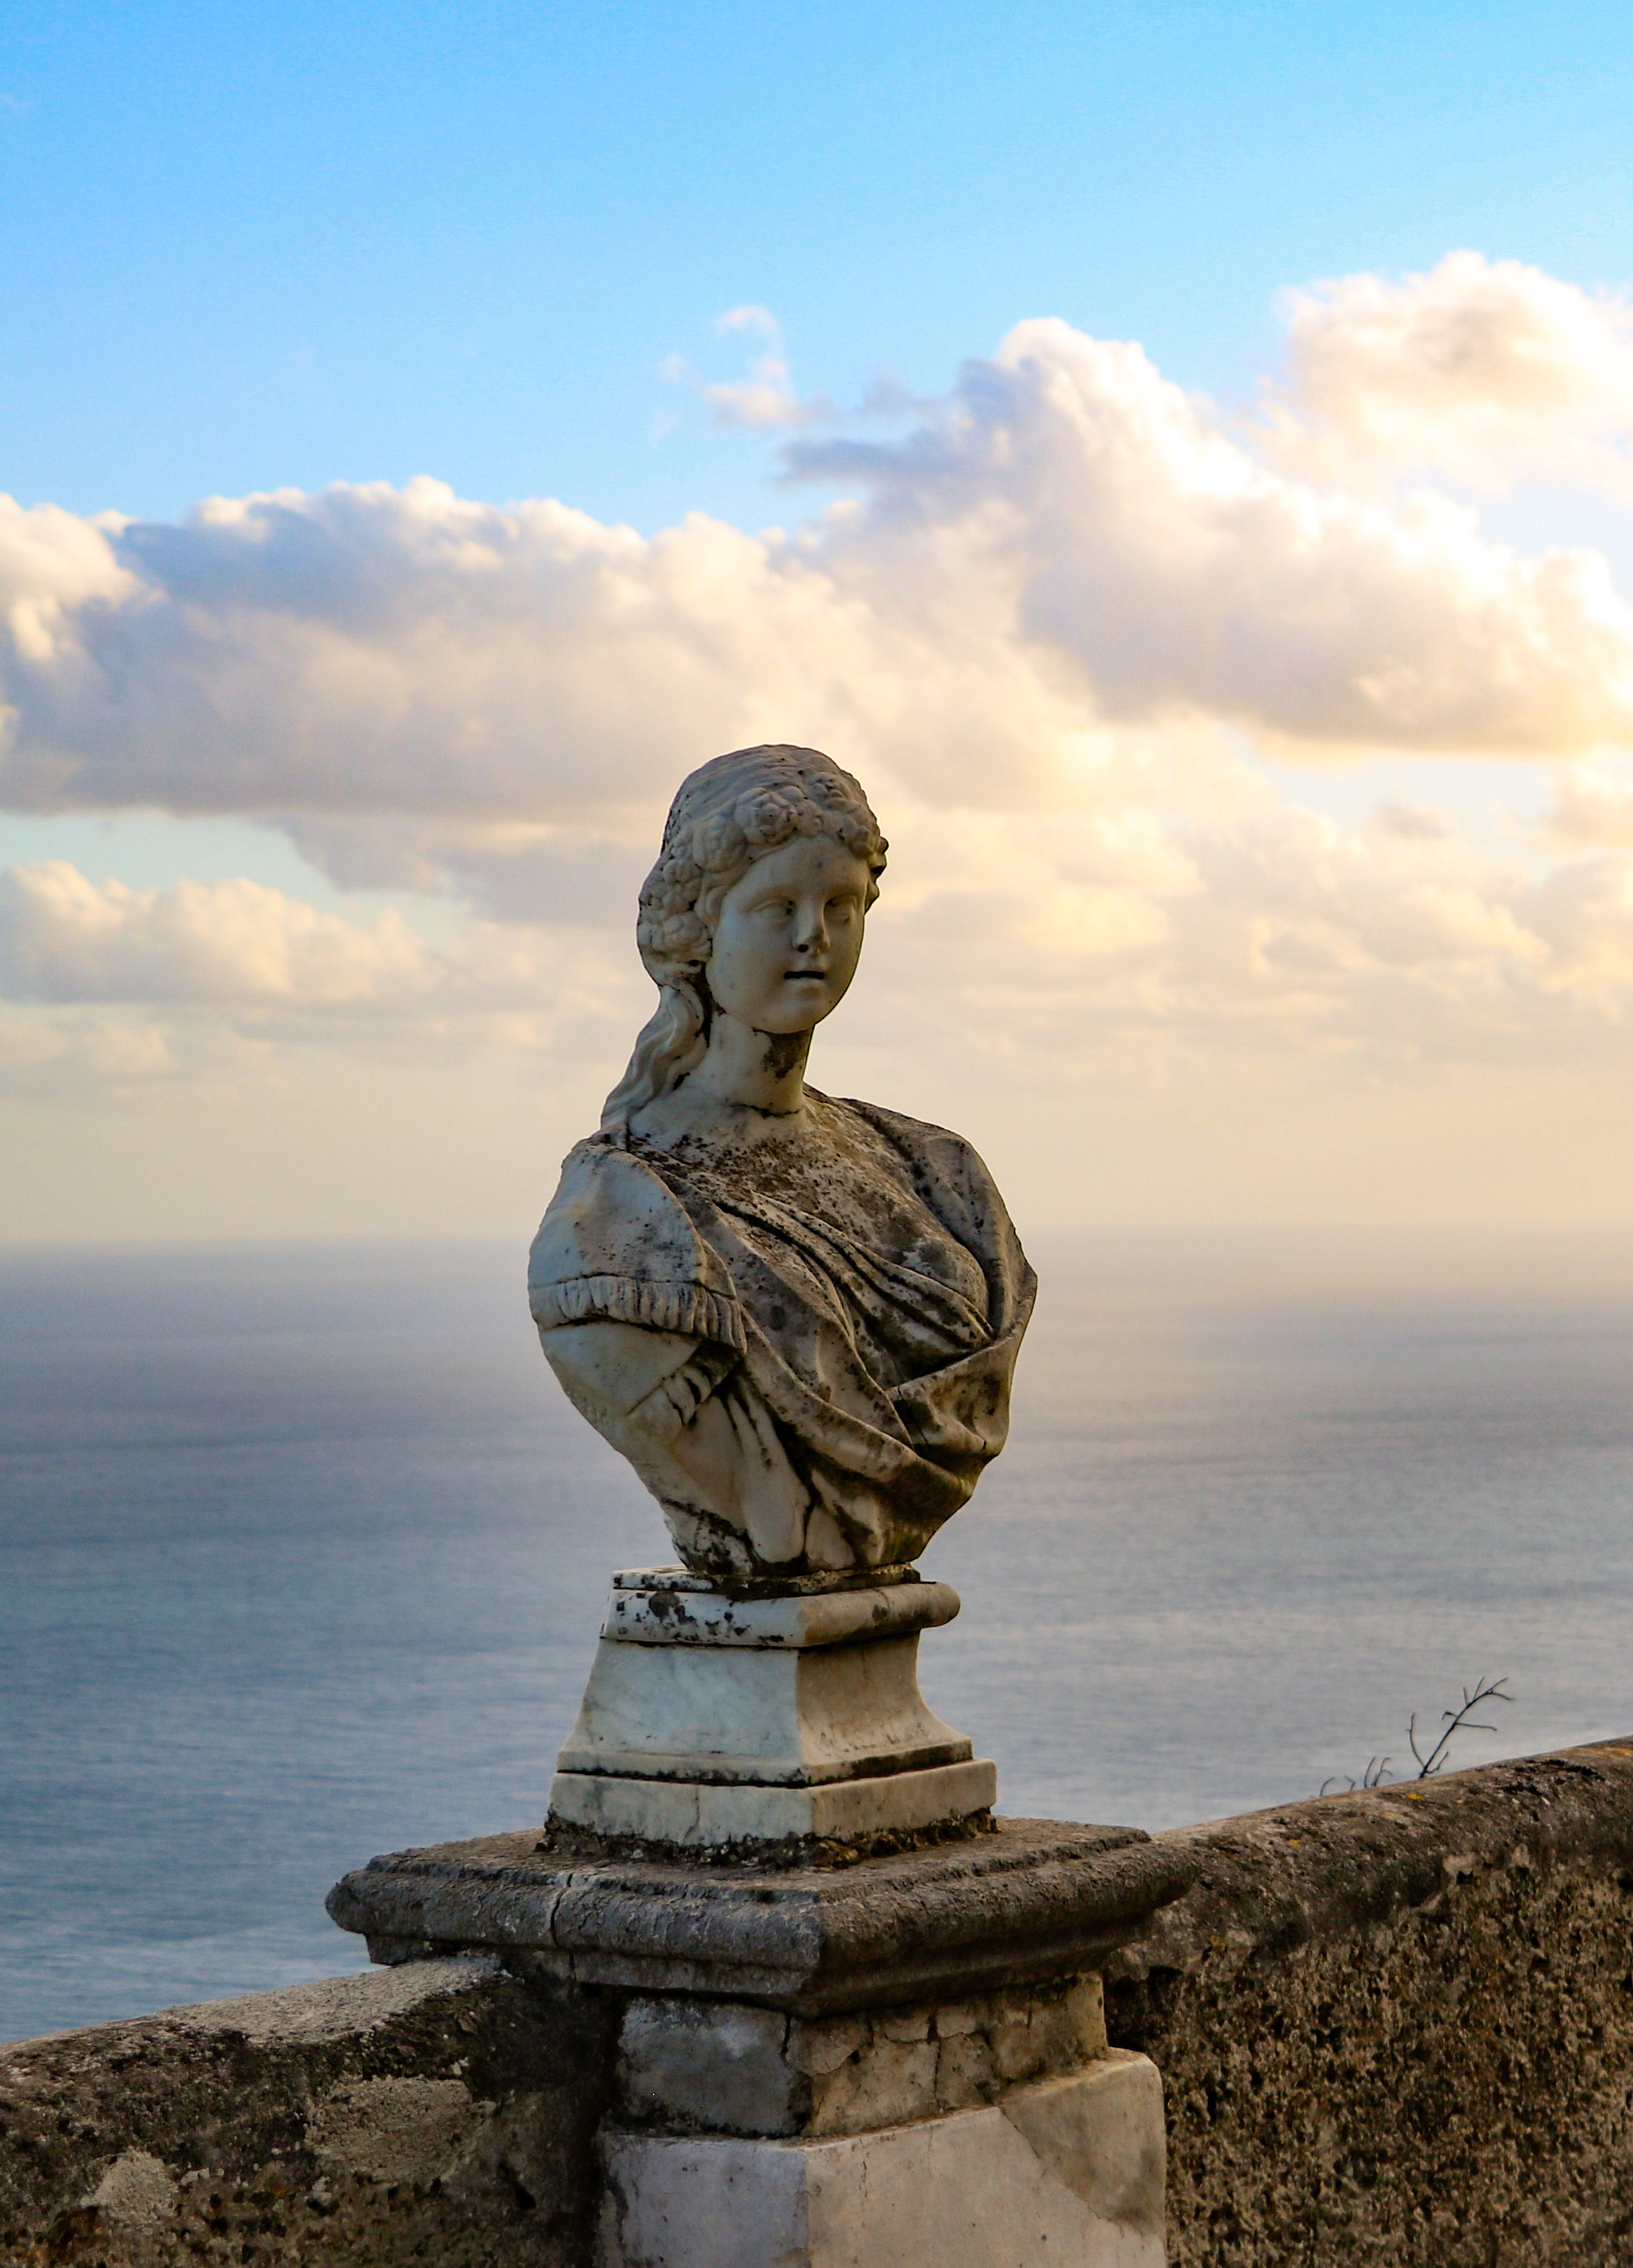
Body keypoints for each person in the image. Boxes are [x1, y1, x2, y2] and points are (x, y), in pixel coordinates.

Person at [528, 743, 1035, 1582]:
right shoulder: (618, 1217)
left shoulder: (941, 1174)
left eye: (842, 904)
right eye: (776, 907)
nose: (815, 937)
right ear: (699, 928)